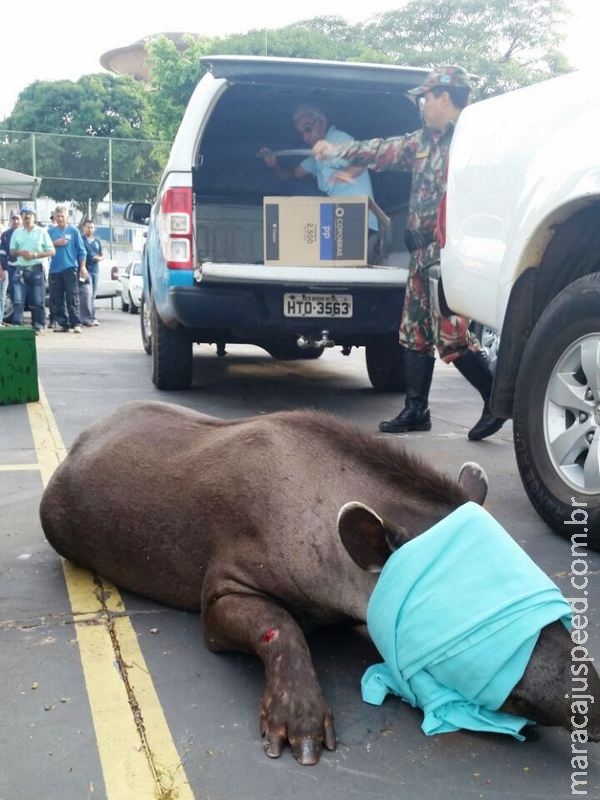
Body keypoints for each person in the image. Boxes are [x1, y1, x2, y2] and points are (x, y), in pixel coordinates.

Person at [312, 66, 505, 441]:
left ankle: (496, 402)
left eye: (425, 97)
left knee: (452, 334)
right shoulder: (423, 142)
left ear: (444, 97)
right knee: (414, 333)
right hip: (420, 255)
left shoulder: (471, 142)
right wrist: (336, 149)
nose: (422, 104)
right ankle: (417, 410)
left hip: (448, 254)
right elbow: (382, 150)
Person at [260, 103, 382, 261]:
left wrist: (347, 174)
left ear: (322, 122)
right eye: (301, 133)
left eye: (307, 129)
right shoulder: (317, 154)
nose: (305, 137)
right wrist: (274, 165)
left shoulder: (339, 139)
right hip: (338, 223)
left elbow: (364, 158)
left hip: (359, 223)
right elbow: (293, 173)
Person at [8, 206, 55, 335]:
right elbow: (11, 252)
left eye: (29, 214)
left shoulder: (42, 232)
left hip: (36, 270)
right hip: (21, 270)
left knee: (38, 301)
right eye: (24, 214)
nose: (27, 217)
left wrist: (34, 255)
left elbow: (52, 251)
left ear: (34, 216)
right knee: (18, 301)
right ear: (21, 216)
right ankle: (17, 326)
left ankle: (38, 326)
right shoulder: (17, 232)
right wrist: (20, 252)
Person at [48, 206, 87, 333]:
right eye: (57, 216)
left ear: (66, 217)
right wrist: (55, 243)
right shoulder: (50, 232)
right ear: (54, 217)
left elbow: (82, 251)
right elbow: (43, 248)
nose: (59, 219)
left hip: (70, 268)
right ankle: (62, 323)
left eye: (62, 216)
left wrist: (82, 267)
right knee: (57, 298)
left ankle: (76, 323)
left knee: (72, 296)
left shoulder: (74, 231)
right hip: (54, 270)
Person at [0, 211, 23, 324]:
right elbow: (2, 254)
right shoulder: (5, 235)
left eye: (18, 218)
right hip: (9, 269)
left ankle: (20, 320)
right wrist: (5, 268)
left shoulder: (26, 233)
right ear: (10, 220)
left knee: (23, 296)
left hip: (24, 268)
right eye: (13, 219)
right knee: (10, 295)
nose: (16, 221)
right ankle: (15, 321)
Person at [81, 218, 103, 325]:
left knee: (93, 295)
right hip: (85, 271)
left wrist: (100, 258)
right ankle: (86, 317)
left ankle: (93, 317)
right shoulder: (81, 239)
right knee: (86, 295)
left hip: (95, 271)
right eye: (88, 227)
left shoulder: (97, 241)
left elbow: (102, 255)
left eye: (92, 228)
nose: (90, 229)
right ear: (84, 228)